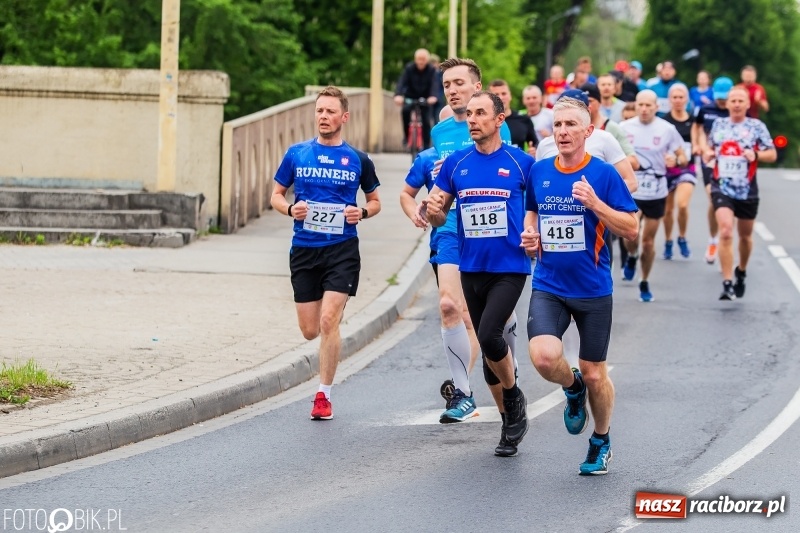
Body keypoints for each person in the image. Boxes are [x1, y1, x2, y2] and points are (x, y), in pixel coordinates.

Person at [521, 96, 639, 475]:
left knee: (594, 372)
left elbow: (632, 227)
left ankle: (601, 440)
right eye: (558, 125)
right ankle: (572, 389)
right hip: (549, 283)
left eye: (572, 125)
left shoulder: (603, 175)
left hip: (592, 288)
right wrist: (530, 234)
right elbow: (532, 212)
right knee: (542, 357)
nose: (563, 132)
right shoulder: (539, 171)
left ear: (588, 131)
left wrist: (596, 205)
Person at [424, 91, 535, 457]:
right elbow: (439, 215)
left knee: (488, 334)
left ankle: (514, 396)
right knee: (490, 353)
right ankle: (509, 425)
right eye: (469, 114)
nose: (472, 119)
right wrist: (434, 210)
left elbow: (538, 210)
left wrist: (538, 238)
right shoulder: (457, 163)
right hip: (471, 267)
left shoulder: (521, 163)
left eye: (480, 113)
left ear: (499, 119)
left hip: (510, 266)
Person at [271, 86, 382, 420]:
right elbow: (275, 195)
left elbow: (376, 201)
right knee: (309, 329)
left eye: (331, 111)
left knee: (328, 320)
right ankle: (330, 328)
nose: (324, 116)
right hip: (305, 249)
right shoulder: (297, 154)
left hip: (342, 249)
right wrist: (291, 210)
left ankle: (324, 395)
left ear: (344, 117)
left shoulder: (358, 160)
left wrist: (361, 213)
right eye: (320, 110)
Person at [428, 58, 515, 423]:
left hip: (488, 234)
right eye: (447, 84)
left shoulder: (498, 128)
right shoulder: (440, 130)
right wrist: (431, 201)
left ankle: (506, 341)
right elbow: (440, 182)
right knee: (450, 306)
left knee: (483, 323)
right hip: (450, 228)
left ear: (476, 88)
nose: (453, 90)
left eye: (460, 83)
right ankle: (462, 393)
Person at [399, 106, 482, 423]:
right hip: (447, 235)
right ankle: (463, 390)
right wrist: (413, 212)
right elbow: (406, 193)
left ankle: (465, 384)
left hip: (481, 237)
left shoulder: (478, 155)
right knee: (450, 306)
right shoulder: (428, 158)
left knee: (472, 318)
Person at [703, 86, 776, 300]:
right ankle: (727, 282)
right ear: (727, 104)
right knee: (726, 231)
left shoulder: (756, 126)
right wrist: (708, 154)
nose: (735, 104)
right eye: (732, 100)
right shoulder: (719, 125)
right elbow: (710, 149)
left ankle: (741, 271)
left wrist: (755, 154)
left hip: (747, 189)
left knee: (745, 236)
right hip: (721, 185)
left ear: (746, 104)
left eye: (740, 101)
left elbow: (771, 154)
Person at [620, 90, 687, 302]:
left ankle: (644, 280)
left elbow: (684, 157)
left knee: (648, 242)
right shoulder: (623, 128)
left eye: (649, 105)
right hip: (632, 190)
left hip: (656, 192)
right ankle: (631, 256)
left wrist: (675, 161)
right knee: (630, 234)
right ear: (636, 105)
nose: (644, 109)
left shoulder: (667, 129)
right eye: (641, 105)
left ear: (657, 107)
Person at [692, 76, 733, 264]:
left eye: (726, 97)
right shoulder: (705, 109)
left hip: (731, 162)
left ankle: (726, 239)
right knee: (713, 197)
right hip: (710, 160)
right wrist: (699, 146)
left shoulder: (736, 111)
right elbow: (698, 128)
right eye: (720, 97)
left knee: (729, 202)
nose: (722, 101)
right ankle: (713, 240)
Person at [661, 83, 697, 259]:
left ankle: (682, 237)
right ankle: (668, 240)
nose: (677, 100)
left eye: (681, 97)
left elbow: (698, 143)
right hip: (667, 169)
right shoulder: (664, 122)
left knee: (682, 205)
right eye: (674, 97)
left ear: (687, 99)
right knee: (667, 210)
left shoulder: (693, 122)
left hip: (686, 168)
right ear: (669, 100)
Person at [394, 48, 439, 149]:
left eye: (423, 59)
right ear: (415, 59)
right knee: (405, 111)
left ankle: (427, 145)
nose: (421, 62)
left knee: (426, 121)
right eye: (419, 59)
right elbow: (402, 82)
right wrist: (398, 95)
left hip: (426, 98)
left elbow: (434, 84)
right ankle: (406, 137)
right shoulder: (409, 68)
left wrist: (433, 96)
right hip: (411, 97)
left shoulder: (432, 70)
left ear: (427, 60)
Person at [489, 79, 537, 155]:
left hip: (519, 164)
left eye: (504, 93)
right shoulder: (486, 121)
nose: (501, 97)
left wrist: (533, 151)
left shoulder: (524, 119)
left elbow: (535, 143)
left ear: (510, 95)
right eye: (496, 95)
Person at [430, 54, 446, 124]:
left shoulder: (441, 73)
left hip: (439, 99)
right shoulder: (427, 74)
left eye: (434, 63)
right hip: (429, 100)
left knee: (437, 119)